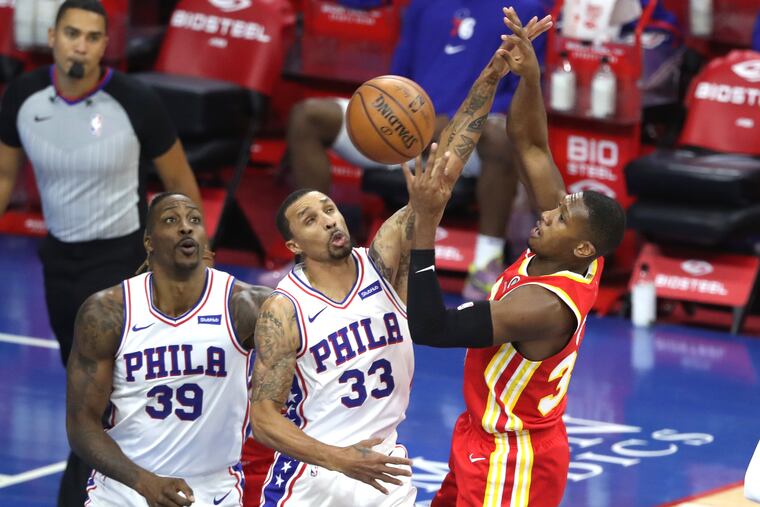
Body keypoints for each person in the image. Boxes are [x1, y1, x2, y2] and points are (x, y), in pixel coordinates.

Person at [245, 10, 553, 507]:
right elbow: (263, 420)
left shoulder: (382, 263)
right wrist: (340, 458)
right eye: (310, 219)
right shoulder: (285, 309)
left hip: (385, 469)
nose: (328, 220)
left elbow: (448, 161)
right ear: (293, 246)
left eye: (329, 209)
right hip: (315, 478)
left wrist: (491, 76)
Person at [402, 8, 626, 506]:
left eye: (560, 218)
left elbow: (432, 328)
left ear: (582, 247)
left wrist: (426, 225)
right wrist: (529, 77)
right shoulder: (576, 252)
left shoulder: (543, 306)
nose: (546, 215)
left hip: (514, 459)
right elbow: (529, 145)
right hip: (480, 436)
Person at [0, 2, 202, 504]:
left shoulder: (135, 101)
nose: (81, 46)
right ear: (52, 36)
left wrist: (195, 256)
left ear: (105, 46)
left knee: (103, 392)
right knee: (83, 384)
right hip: (58, 263)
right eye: (72, 34)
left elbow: (179, 183)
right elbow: (4, 176)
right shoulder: (23, 96)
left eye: (92, 37)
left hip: (122, 262)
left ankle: (82, 495)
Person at [269, 0, 547, 300]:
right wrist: (411, 119)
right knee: (308, 117)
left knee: (500, 138)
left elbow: (522, 93)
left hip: (464, 140)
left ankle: (486, 266)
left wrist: (455, 120)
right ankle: (315, 261)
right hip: (404, 130)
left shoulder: (525, 9)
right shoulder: (422, 4)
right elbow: (398, 77)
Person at [66, 192, 271, 507]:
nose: (186, 227)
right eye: (171, 220)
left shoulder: (245, 306)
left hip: (212, 490)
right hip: (125, 489)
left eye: (195, 220)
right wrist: (143, 482)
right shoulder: (107, 313)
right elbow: (81, 424)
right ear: (149, 242)